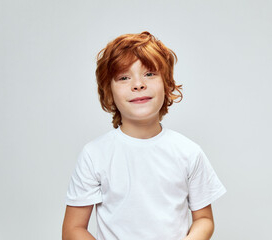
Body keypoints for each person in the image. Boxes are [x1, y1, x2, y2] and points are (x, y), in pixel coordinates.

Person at [62, 31, 227, 240]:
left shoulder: (188, 152)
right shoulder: (94, 154)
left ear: (167, 85)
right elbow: (73, 229)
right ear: (109, 93)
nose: (138, 84)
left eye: (149, 74)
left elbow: (204, 219)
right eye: (124, 77)